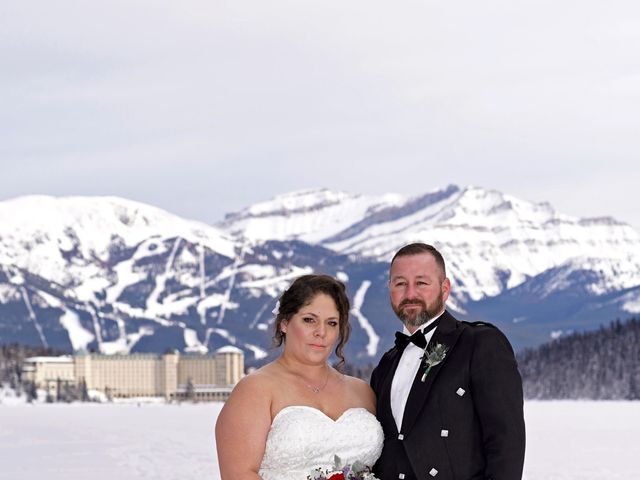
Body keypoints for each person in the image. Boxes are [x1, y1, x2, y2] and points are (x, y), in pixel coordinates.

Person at [371, 243, 526, 480]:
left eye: (421, 283)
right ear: (390, 288)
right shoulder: (386, 364)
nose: (410, 293)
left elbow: (506, 442)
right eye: (400, 283)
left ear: (445, 288)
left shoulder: (480, 344)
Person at [216, 274, 384, 480]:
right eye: (309, 320)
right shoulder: (255, 389)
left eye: (331, 323)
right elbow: (238, 474)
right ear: (284, 323)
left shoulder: (362, 391)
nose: (321, 332)